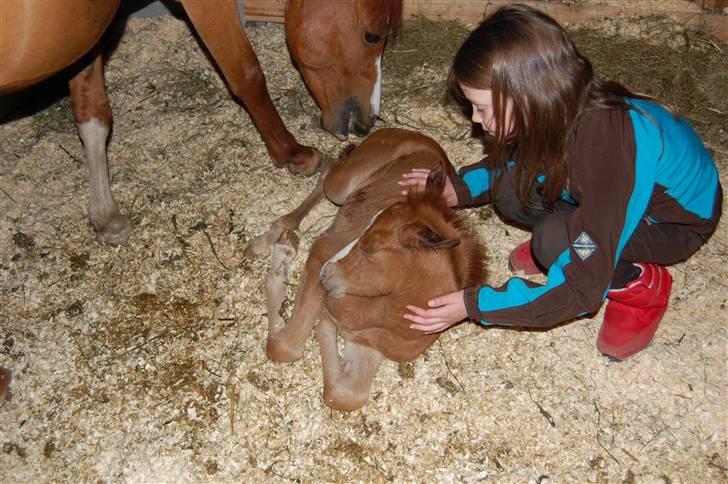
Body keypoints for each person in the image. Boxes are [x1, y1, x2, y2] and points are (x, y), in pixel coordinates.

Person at [399, 4, 722, 360]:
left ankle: (639, 286)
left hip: (671, 222)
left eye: (482, 107)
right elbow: (513, 162)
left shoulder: (609, 145)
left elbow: (579, 290)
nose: (476, 121)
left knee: (554, 241)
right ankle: (569, 240)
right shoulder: (553, 111)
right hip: (613, 193)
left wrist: (474, 305)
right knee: (511, 191)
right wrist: (457, 189)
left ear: (527, 92)